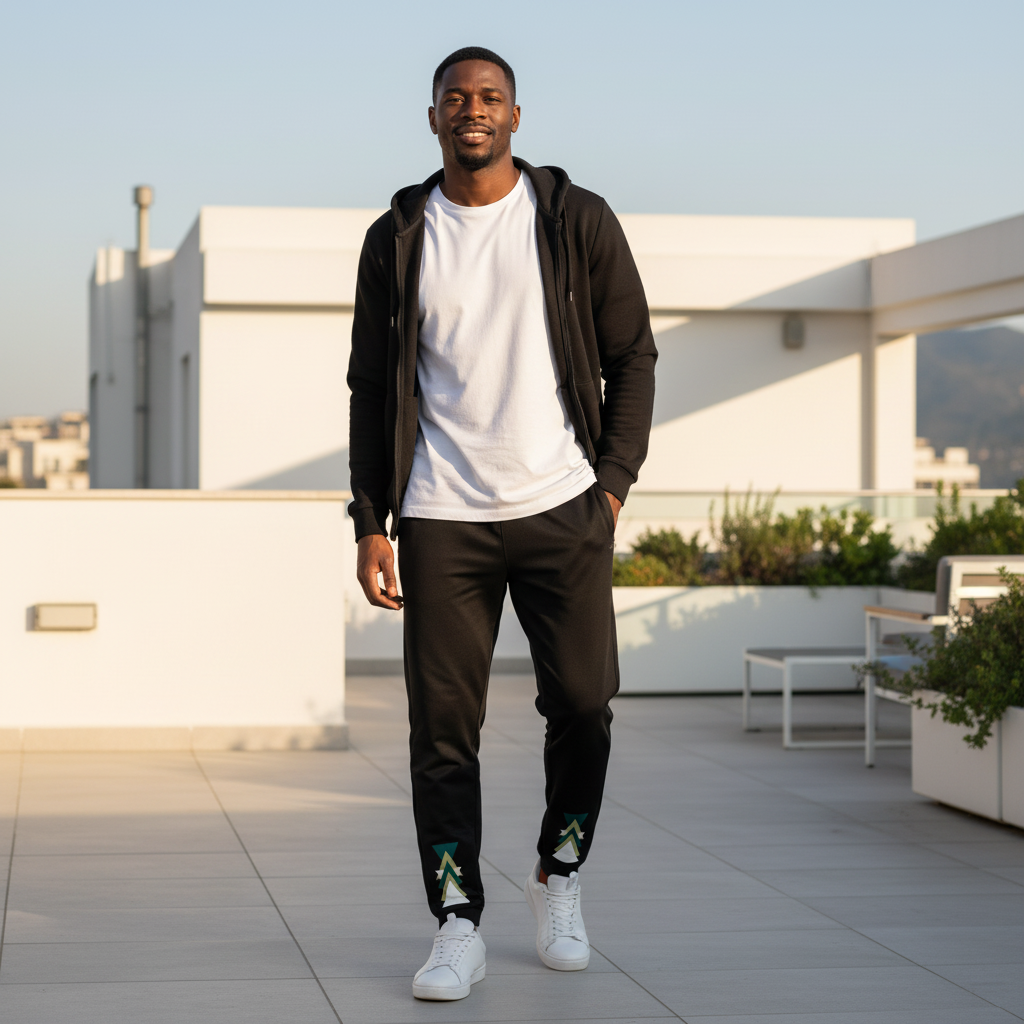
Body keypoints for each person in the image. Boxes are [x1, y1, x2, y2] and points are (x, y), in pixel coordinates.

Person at [348, 45, 656, 1002]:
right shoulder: (397, 236)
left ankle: (558, 876)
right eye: (455, 98)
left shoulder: (575, 220)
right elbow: (370, 389)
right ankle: (456, 921)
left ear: (515, 117)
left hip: (563, 507)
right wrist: (371, 520)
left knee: (586, 705)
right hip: (441, 516)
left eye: (489, 98)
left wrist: (609, 489)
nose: (471, 110)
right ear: (432, 117)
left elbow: (632, 357)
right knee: (443, 731)